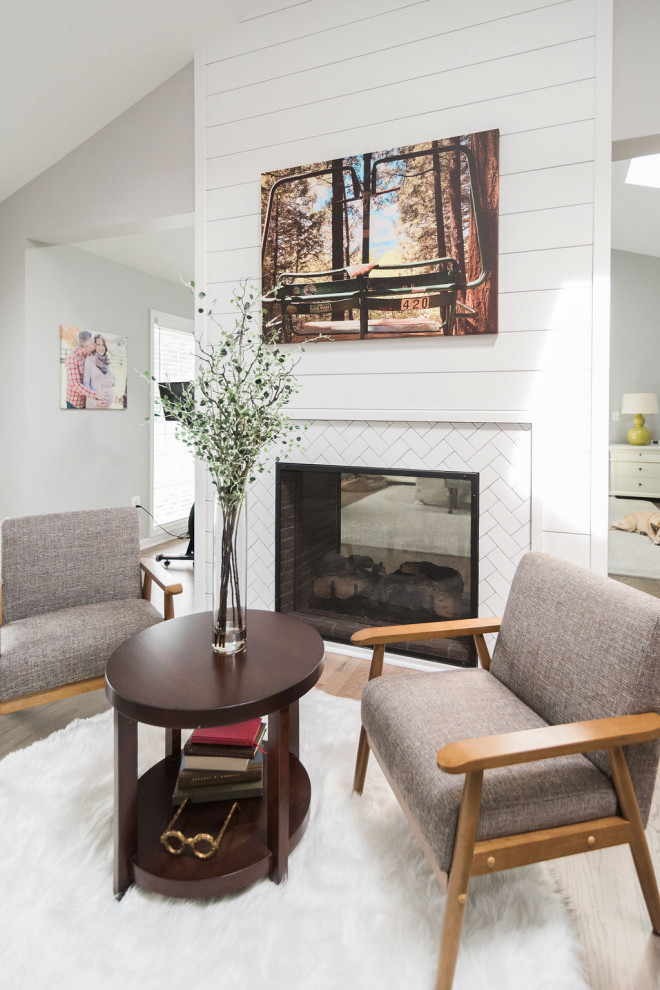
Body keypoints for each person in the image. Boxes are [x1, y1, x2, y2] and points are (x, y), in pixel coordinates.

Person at [65, 329, 109, 408]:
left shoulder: (89, 355)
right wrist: (96, 395)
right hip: (75, 404)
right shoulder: (72, 358)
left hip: (87, 401)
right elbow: (76, 385)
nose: (94, 345)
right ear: (85, 346)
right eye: (92, 344)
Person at [83, 334, 116, 409]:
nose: (101, 348)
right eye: (98, 345)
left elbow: (114, 381)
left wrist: (112, 382)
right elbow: (85, 383)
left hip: (108, 407)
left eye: (103, 345)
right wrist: (95, 402)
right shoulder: (90, 359)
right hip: (94, 405)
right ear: (94, 346)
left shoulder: (109, 360)